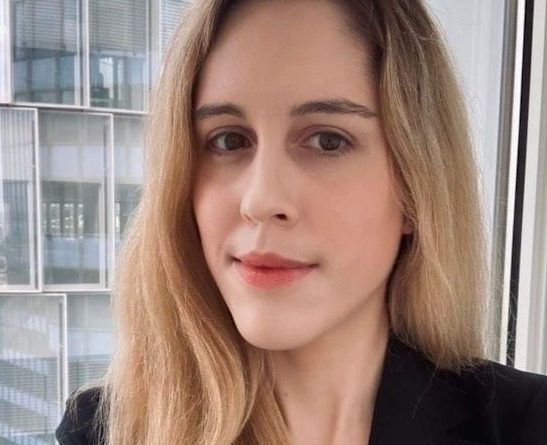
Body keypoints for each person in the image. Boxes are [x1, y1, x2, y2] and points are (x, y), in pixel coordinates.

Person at [55, 0, 547, 444]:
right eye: (228, 140)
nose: (261, 200)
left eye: (328, 141)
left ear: (416, 187)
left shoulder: (528, 423)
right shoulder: (105, 430)